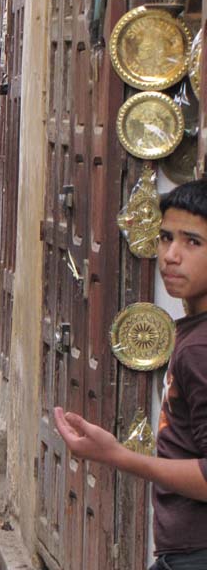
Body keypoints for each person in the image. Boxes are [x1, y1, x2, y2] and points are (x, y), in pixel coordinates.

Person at [54, 180, 207, 570]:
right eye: (165, 237)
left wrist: (117, 456)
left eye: (193, 242)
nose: (171, 255)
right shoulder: (192, 333)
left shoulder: (199, 350)